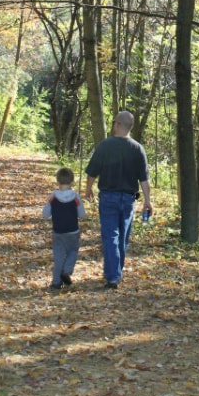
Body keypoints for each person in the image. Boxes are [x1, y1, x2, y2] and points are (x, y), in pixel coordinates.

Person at [85, 110, 152, 289]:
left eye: (114, 122)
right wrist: (147, 200)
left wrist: (87, 189)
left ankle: (113, 276)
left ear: (118, 125)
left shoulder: (105, 145)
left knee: (111, 236)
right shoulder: (138, 148)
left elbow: (92, 171)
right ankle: (116, 272)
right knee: (123, 236)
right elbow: (144, 179)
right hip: (128, 199)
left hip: (108, 197)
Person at [42, 167, 86, 292]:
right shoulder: (76, 197)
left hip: (58, 231)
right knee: (73, 251)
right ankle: (67, 271)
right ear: (72, 182)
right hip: (73, 231)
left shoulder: (53, 197)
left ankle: (56, 282)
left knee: (58, 256)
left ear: (57, 182)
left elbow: (45, 214)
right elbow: (82, 214)